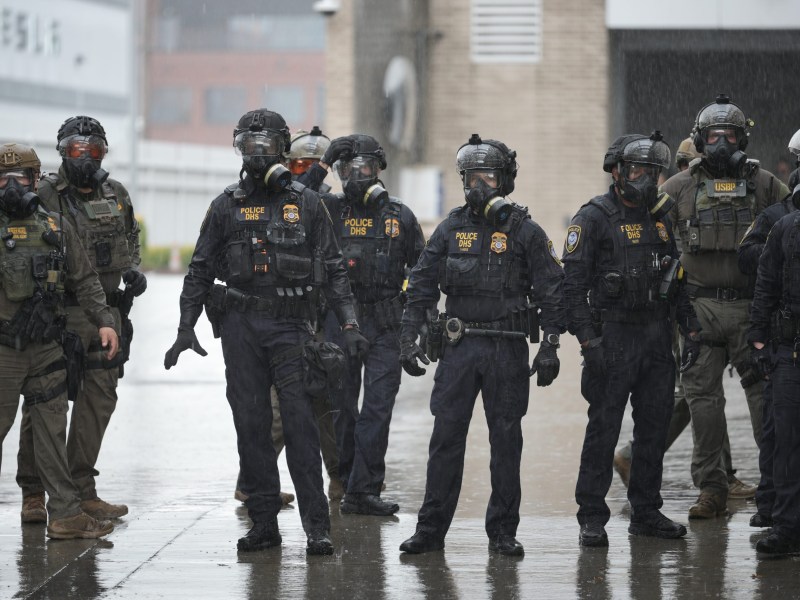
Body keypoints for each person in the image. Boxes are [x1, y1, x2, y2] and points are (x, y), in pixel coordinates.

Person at [163, 109, 368, 555]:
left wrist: (349, 323)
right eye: (248, 147)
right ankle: (263, 524)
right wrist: (185, 327)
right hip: (241, 328)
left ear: (282, 150)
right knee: (251, 426)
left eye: (266, 147)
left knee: (300, 425)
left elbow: (335, 269)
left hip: (291, 327)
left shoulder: (307, 204)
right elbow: (199, 270)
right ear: (238, 149)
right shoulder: (225, 205)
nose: (257, 156)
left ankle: (317, 527)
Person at [397, 134, 565, 556]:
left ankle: (503, 531)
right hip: (459, 348)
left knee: (506, 441)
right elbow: (420, 285)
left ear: (504, 180)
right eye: (472, 177)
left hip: (507, 349)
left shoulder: (526, 231)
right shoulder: (450, 229)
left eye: (487, 177)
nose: (478, 186)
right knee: (445, 439)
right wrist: (407, 336)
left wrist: (550, 344)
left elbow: (552, 291)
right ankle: (430, 531)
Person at [564, 132, 701, 547]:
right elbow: (572, 290)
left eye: (652, 172)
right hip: (613, 339)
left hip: (657, 338)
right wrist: (589, 343)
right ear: (617, 172)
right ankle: (592, 517)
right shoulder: (592, 218)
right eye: (637, 170)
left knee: (653, 430)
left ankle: (646, 512)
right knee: (603, 429)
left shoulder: (661, 218)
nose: (645, 179)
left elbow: (675, 277)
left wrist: (691, 328)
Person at [662, 95, 790, 520]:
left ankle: (777, 492)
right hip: (697, 312)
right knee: (703, 406)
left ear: (742, 139)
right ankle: (712, 489)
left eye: (730, 136)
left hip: (752, 311)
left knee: (766, 405)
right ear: (700, 140)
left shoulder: (765, 185)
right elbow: (646, 234)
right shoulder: (678, 187)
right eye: (714, 136)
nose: (721, 144)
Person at [613, 136, 757, 501]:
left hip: (692, 307)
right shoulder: (676, 200)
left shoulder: (687, 198)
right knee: (696, 394)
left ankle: (719, 474)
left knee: (703, 394)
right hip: (688, 307)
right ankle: (642, 456)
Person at [16, 116, 144, 523]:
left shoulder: (116, 193)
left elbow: (130, 237)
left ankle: (81, 487)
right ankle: (34, 491)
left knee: (100, 398)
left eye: (94, 150)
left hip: (106, 313)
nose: (86, 157)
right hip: (58, 313)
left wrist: (132, 269)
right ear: (62, 152)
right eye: (77, 149)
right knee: (46, 400)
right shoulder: (45, 194)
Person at [0, 141, 118, 539]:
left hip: (47, 349)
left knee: (52, 433)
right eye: (2, 179)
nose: (11, 186)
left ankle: (66, 515)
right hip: (4, 351)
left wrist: (105, 322)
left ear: (35, 180)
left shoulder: (54, 226)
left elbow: (84, 279)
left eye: (20, 178)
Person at [232, 125, 341, 506]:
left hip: (322, 320)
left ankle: (339, 481)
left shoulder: (328, 205)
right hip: (287, 321)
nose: (304, 171)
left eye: (313, 165)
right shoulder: (279, 201)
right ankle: (253, 481)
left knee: (328, 407)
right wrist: (321, 166)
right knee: (277, 410)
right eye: (297, 165)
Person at [319, 134, 425, 516]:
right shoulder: (328, 210)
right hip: (340, 321)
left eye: (364, 167)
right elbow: (293, 202)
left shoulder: (400, 216)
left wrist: (418, 327)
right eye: (347, 169)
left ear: (379, 170)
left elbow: (423, 273)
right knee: (342, 409)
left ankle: (364, 490)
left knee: (377, 409)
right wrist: (323, 162)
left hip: (385, 323)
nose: (357, 175)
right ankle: (347, 480)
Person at [737, 130, 800, 529]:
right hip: (785, 342)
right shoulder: (777, 219)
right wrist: (782, 250)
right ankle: (774, 508)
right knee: (779, 433)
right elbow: (752, 267)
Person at [747, 182, 800, 556]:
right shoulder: (785, 228)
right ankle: (787, 525)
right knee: (787, 441)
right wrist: (759, 340)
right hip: (789, 351)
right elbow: (765, 286)